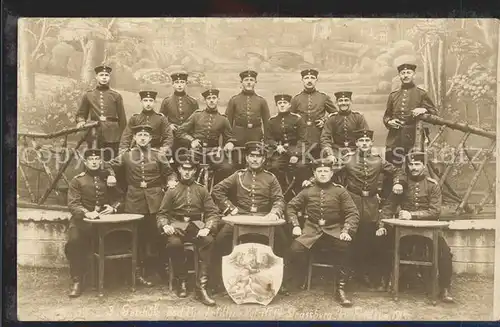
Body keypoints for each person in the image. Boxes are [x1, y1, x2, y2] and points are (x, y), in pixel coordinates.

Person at [377, 151, 454, 303]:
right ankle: (389, 281)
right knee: (386, 244)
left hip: (429, 230)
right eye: (411, 164)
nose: (413, 168)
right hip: (405, 231)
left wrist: (412, 215)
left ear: (424, 166)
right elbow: (388, 207)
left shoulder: (433, 185)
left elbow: (435, 211)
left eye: (417, 164)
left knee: (444, 253)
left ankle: (444, 288)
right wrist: (382, 225)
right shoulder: (402, 185)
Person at [210, 141, 287, 292]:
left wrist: (274, 213)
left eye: (259, 156)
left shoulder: (270, 178)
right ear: (247, 157)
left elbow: (279, 199)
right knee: (220, 241)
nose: (255, 159)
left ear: (264, 159)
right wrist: (230, 209)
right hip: (241, 217)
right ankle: (220, 281)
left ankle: (278, 282)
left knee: (283, 241)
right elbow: (217, 190)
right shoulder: (238, 176)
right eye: (252, 156)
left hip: (264, 218)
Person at [106, 124, 176, 287]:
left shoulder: (158, 155)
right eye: (139, 135)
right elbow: (108, 165)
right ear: (134, 138)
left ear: (150, 138)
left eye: (146, 135)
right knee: (135, 238)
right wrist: (110, 176)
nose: (143, 137)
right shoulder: (127, 156)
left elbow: (170, 172)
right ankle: (136, 272)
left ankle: (161, 268)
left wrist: (171, 180)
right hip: (134, 201)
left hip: (155, 200)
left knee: (159, 235)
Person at [283, 158, 359, 307]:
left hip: (334, 229)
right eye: (319, 171)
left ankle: (340, 289)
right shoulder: (307, 190)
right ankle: (294, 279)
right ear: (314, 173)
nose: (323, 174)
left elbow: (352, 212)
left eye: (326, 171)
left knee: (344, 246)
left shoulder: (340, 191)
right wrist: (296, 225)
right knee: (295, 249)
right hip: (311, 230)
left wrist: (346, 230)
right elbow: (291, 206)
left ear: (331, 173)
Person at [335, 129, 403, 288]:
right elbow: (328, 171)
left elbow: (397, 171)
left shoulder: (378, 161)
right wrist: (311, 180)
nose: (364, 144)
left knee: (367, 239)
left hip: (371, 203)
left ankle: (363, 273)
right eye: (361, 141)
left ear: (371, 143)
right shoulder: (348, 159)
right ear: (357, 143)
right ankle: (347, 275)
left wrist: (398, 182)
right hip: (352, 201)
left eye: (367, 141)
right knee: (351, 237)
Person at [156, 154, 220, 306]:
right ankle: (182, 280)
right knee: (174, 244)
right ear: (179, 170)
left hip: (196, 227)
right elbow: (162, 213)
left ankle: (201, 287)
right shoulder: (171, 190)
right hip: (177, 226)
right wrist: (165, 225)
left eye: (190, 169)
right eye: (184, 169)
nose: (187, 172)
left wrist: (207, 227)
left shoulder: (201, 190)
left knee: (209, 241)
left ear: (194, 171)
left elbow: (212, 213)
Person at [65, 148, 123, 298]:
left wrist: (113, 208)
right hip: (81, 222)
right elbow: (73, 204)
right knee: (74, 242)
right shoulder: (77, 180)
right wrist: (86, 212)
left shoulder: (107, 178)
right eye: (91, 159)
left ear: (101, 161)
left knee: (116, 241)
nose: (95, 162)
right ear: (85, 162)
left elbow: (121, 197)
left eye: (97, 159)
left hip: (104, 222)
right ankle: (77, 280)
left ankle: (108, 278)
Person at [177, 88, 236, 184]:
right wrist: (192, 140)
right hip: (197, 152)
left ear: (218, 99)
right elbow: (180, 131)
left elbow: (229, 137)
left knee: (228, 168)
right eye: (209, 98)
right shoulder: (197, 115)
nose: (211, 100)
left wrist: (230, 143)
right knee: (184, 164)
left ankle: (215, 189)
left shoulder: (223, 119)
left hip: (214, 152)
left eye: (214, 98)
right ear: (205, 100)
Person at [383, 63, 437, 167]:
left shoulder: (421, 94)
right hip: (395, 138)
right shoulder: (393, 95)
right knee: (392, 166)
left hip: (414, 137)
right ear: (399, 76)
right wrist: (389, 122)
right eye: (403, 73)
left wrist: (423, 109)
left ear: (414, 75)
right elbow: (386, 116)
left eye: (409, 72)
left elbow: (434, 112)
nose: (405, 75)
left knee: (414, 166)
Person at [75, 65, 127, 161]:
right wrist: (81, 121)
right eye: (101, 75)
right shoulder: (88, 95)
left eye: (106, 75)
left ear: (109, 77)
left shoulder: (116, 96)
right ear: (96, 77)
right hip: (95, 133)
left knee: (110, 160)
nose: (104, 77)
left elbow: (123, 120)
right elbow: (81, 114)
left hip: (112, 134)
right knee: (94, 159)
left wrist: (121, 138)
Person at [266, 93, 308, 198]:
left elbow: (303, 139)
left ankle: (300, 192)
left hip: (295, 149)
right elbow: (268, 138)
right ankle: (281, 192)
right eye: (279, 103)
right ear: (276, 105)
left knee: (301, 166)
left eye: (285, 103)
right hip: (279, 150)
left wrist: (296, 154)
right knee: (274, 166)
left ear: (290, 105)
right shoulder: (272, 121)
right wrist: (276, 146)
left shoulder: (297, 119)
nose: (282, 105)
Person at [290, 69, 337, 159]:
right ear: (302, 80)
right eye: (306, 78)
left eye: (312, 78)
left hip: (318, 136)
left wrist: (324, 120)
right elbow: (290, 117)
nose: (309, 80)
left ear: (316, 80)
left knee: (319, 160)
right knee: (302, 163)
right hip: (301, 138)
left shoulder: (323, 97)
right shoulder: (296, 99)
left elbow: (335, 114)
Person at [225, 70, 271, 150]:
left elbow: (267, 123)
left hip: (256, 136)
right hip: (238, 137)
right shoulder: (234, 100)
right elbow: (228, 122)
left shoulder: (261, 101)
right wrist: (229, 140)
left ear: (255, 82)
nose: (249, 82)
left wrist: (266, 141)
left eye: (251, 80)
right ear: (241, 82)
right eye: (246, 80)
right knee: (238, 159)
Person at [119, 90, 173, 155]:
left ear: (155, 102)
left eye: (151, 100)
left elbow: (168, 136)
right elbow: (126, 136)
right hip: (137, 150)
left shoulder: (161, 119)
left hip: (155, 150)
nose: (148, 103)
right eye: (145, 100)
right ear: (141, 102)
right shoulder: (134, 118)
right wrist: (124, 152)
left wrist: (163, 150)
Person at [160, 72, 199, 156]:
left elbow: (197, 121)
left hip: (188, 136)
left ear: (186, 84)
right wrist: (169, 125)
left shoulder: (192, 102)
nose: (179, 85)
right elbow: (161, 119)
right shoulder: (166, 101)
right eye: (177, 82)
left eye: (182, 82)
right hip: (172, 136)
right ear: (172, 84)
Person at [320, 91, 369, 161]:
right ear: (336, 102)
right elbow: (325, 138)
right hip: (336, 152)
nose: (343, 103)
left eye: (346, 100)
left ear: (351, 101)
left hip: (355, 150)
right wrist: (329, 154)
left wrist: (359, 152)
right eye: (340, 101)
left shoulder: (358, 117)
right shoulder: (332, 118)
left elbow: (366, 137)